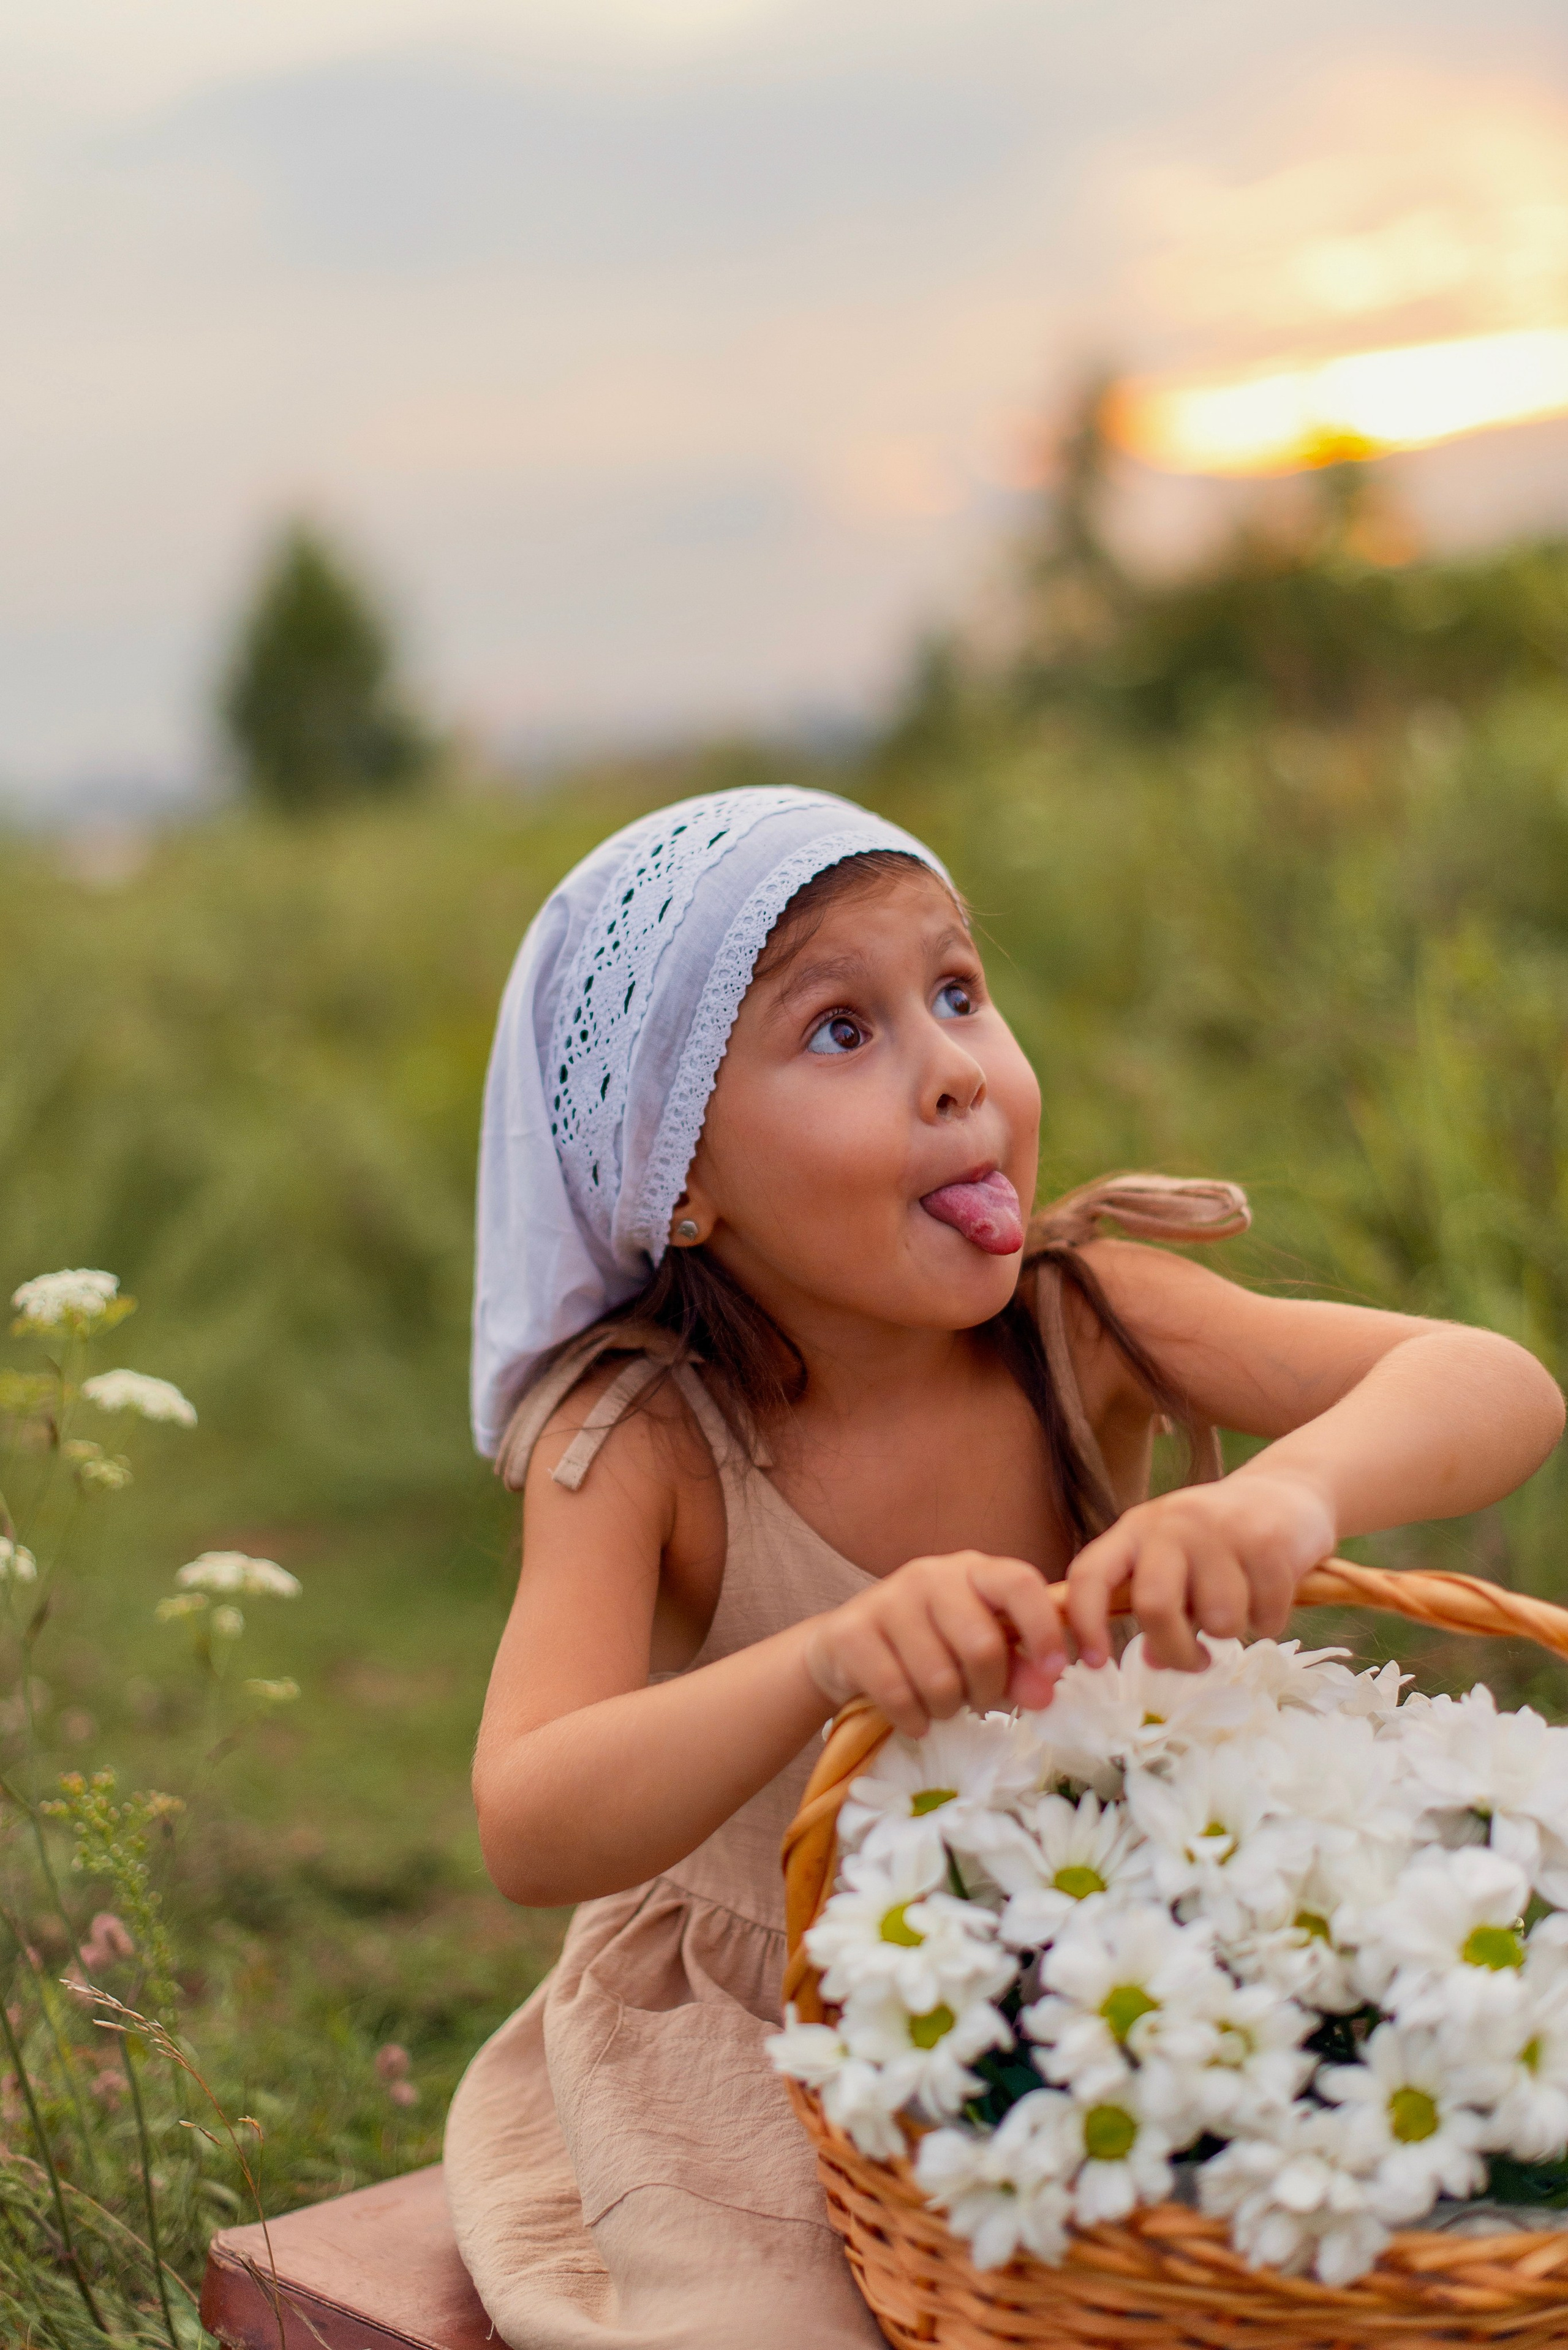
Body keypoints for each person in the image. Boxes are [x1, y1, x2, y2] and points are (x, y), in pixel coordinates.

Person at [445, 786, 1562, 2348]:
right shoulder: (643, 1441)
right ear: (674, 1176)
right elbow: (529, 1815)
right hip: (777, 2022)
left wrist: (1286, 1498)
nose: (953, 1066)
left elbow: (1494, 1382)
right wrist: (822, 1657)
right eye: (842, 1029)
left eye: (957, 991)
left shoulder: (1080, 1315)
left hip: (1118, 1943)